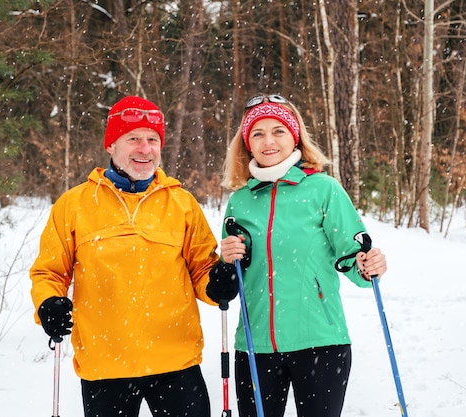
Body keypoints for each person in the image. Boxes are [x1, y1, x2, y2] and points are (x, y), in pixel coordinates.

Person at [29, 95, 240, 417]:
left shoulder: (182, 203)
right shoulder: (74, 204)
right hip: (105, 364)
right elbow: (49, 272)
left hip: (176, 361)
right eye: (134, 139)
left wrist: (217, 284)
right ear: (111, 145)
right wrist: (48, 304)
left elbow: (201, 269)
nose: (145, 148)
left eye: (152, 139)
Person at [213, 94, 388, 417]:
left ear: (294, 136)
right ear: (247, 144)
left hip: (320, 342)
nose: (269, 141)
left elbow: (354, 256)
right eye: (258, 133)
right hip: (255, 347)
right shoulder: (240, 202)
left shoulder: (323, 189)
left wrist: (368, 266)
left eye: (278, 131)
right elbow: (230, 282)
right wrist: (226, 260)